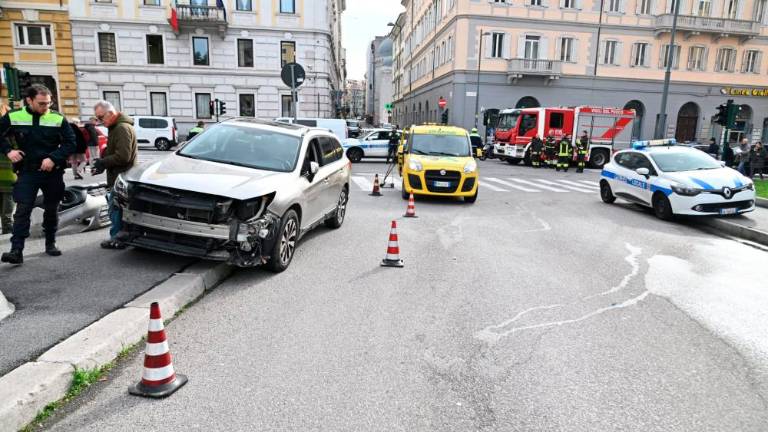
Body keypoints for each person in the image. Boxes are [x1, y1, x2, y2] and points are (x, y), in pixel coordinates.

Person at [0, 85, 76, 264]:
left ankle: (50, 243)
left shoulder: (57, 118)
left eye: (48, 103)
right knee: (22, 210)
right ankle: (16, 250)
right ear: (29, 100)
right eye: (41, 104)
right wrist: (9, 150)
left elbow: (70, 143)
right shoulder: (14, 116)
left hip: (52, 172)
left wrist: (53, 158)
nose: (46, 107)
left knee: (51, 208)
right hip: (27, 171)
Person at [91, 100, 137, 249]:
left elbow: (124, 156)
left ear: (110, 113)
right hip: (119, 175)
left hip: (122, 177)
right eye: (97, 118)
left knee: (116, 209)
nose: (99, 121)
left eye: (101, 117)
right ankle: (119, 237)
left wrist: (103, 162)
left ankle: (116, 238)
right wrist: (102, 164)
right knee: (118, 209)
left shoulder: (121, 128)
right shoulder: (116, 127)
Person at [0, 102, 14, 235]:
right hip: (7, 167)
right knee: (8, 195)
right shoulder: (8, 128)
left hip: (6, 166)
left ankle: (7, 223)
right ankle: (7, 224)